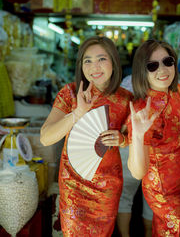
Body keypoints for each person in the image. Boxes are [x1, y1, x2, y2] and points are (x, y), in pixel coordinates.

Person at [40, 36, 132, 236]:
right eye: (87, 60)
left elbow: (136, 138)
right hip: (74, 183)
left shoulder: (126, 99)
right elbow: (46, 138)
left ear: (114, 62)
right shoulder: (71, 93)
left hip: (107, 184)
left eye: (101, 59)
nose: (94, 67)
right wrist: (77, 114)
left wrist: (122, 139)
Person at [127, 40, 180, 237]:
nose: (163, 70)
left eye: (167, 61)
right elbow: (138, 172)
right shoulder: (142, 111)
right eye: (152, 65)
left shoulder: (177, 92)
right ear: (142, 71)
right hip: (165, 190)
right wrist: (138, 136)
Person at [117, 74, 153, 237]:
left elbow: (120, 115)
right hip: (153, 149)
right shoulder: (174, 83)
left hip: (131, 146)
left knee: (125, 197)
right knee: (152, 200)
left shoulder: (129, 81)